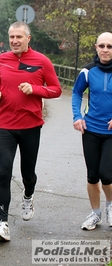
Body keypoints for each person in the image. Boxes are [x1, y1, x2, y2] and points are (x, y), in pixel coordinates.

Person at [0, 21, 61, 242]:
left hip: (30, 126)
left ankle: (28, 194)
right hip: (5, 126)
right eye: (11, 37)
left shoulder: (42, 61)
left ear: (28, 38)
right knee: (3, 172)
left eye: (19, 37)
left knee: (27, 174)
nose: (14, 41)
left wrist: (35, 89)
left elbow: (56, 89)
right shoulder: (2, 59)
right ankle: (2, 223)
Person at [72, 32, 112, 231]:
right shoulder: (88, 71)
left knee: (107, 173)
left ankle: (111, 206)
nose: (105, 50)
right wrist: (77, 116)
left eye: (110, 46)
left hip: (111, 133)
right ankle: (95, 214)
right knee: (92, 175)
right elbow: (77, 92)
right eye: (102, 46)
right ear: (96, 47)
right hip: (91, 130)